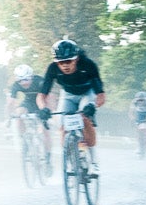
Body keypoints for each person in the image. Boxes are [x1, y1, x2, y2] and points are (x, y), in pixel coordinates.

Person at [37, 39, 105, 169]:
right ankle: (70, 160)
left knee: (84, 117)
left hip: (87, 93)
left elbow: (101, 96)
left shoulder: (88, 65)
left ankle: (93, 160)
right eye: (61, 62)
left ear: (76, 59)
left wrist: (93, 106)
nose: (65, 66)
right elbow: (41, 95)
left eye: (68, 61)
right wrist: (43, 108)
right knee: (63, 126)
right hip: (67, 95)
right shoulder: (52, 68)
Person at [129, 90, 146, 156]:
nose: (141, 102)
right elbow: (131, 112)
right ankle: (139, 145)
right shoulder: (134, 102)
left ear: (145, 99)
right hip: (139, 113)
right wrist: (132, 119)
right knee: (137, 128)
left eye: (142, 100)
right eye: (139, 100)